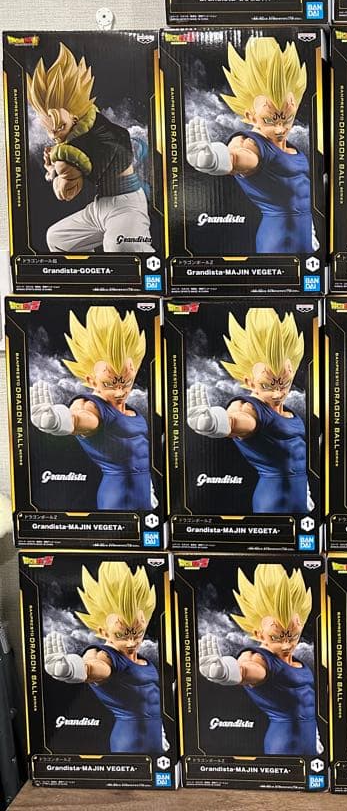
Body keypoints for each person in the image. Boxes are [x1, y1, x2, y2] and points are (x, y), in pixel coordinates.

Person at [185, 36, 315, 254]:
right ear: (250, 116)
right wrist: (214, 160)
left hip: (306, 237)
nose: (280, 129)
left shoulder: (290, 146)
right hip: (279, 240)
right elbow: (239, 157)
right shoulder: (252, 144)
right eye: (270, 120)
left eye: (288, 119)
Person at [28, 44, 152, 254]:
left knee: (121, 249)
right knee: (58, 239)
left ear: (74, 117)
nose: (53, 136)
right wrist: (54, 170)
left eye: (59, 128)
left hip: (127, 205)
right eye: (49, 130)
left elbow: (65, 193)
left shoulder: (89, 138)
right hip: (100, 207)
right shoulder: (83, 129)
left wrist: (60, 168)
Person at [185, 308, 310, 514]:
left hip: (300, 498)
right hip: (274, 500)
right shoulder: (249, 407)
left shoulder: (286, 411)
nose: (278, 393)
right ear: (249, 381)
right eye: (267, 385)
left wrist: (304, 489)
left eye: (285, 383)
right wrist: (214, 423)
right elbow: (239, 420)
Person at [29, 307, 154, 511]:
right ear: (91, 380)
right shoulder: (92, 406)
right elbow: (82, 419)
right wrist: (58, 421)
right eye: (109, 384)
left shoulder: (131, 409)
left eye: (126, 382)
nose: (119, 391)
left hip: (145, 493)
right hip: (118, 496)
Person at [197, 565, 319, 755]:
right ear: (258, 633)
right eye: (277, 637)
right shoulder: (259, 658)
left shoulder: (295, 661)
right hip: (284, 745)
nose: (286, 645)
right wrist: (224, 672)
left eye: (293, 636)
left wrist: (315, 734)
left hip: (310, 744)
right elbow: (247, 670)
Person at [43, 562, 163, 754]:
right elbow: (95, 667)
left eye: (138, 633)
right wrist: (71, 670)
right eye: (121, 635)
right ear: (103, 631)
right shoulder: (106, 655)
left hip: (157, 742)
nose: (131, 642)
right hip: (130, 743)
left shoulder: (142, 657)